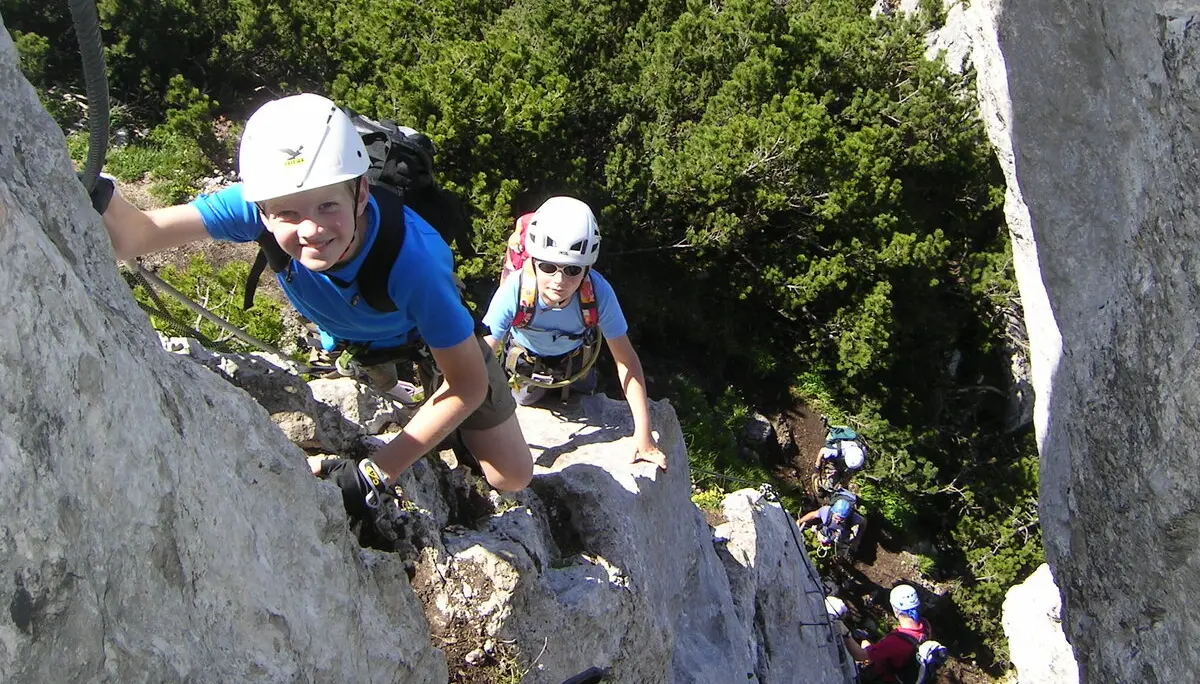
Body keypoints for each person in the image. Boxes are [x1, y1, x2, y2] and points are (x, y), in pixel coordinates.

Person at [91, 93, 534, 493]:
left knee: (510, 476)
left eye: (327, 206)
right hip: (355, 342)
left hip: (426, 340)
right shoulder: (258, 201)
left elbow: (467, 384)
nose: (311, 230)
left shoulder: (414, 262)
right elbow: (138, 235)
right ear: (261, 212)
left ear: (361, 193)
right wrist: (95, 189)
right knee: (393, 397)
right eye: (287, 214)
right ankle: (393, 391)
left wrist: (375, 472)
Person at [482, 196, 667, 470]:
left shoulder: (598, 293)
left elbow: (626, 360)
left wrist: (644, 434)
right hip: (527, 368)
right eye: (548, 267)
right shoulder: (515, 291)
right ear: (533, 261)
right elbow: (483, 354)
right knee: (526, 399)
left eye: (572, 270)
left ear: (587, 268)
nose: (559, 281)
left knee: (580, 397)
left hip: (576, 365)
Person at [843, 584, 932, 683]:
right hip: (903, 672)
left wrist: (845, 633)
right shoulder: (925, 626)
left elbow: (860, 655)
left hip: (884, 678)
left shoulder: (895, 641)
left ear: (895, 610)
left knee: (864, 645)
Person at [797, 496, 867, 554]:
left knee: (845, 549)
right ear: (833, 512)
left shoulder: (853, 518)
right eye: (835, 518)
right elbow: (813, 515)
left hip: (842, 536)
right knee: (823, 534)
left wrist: (857, 539)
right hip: (827, 531)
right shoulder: (826, 511)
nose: (837, 521)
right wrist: (800, 521)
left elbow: (864, 522)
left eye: (841, 520)